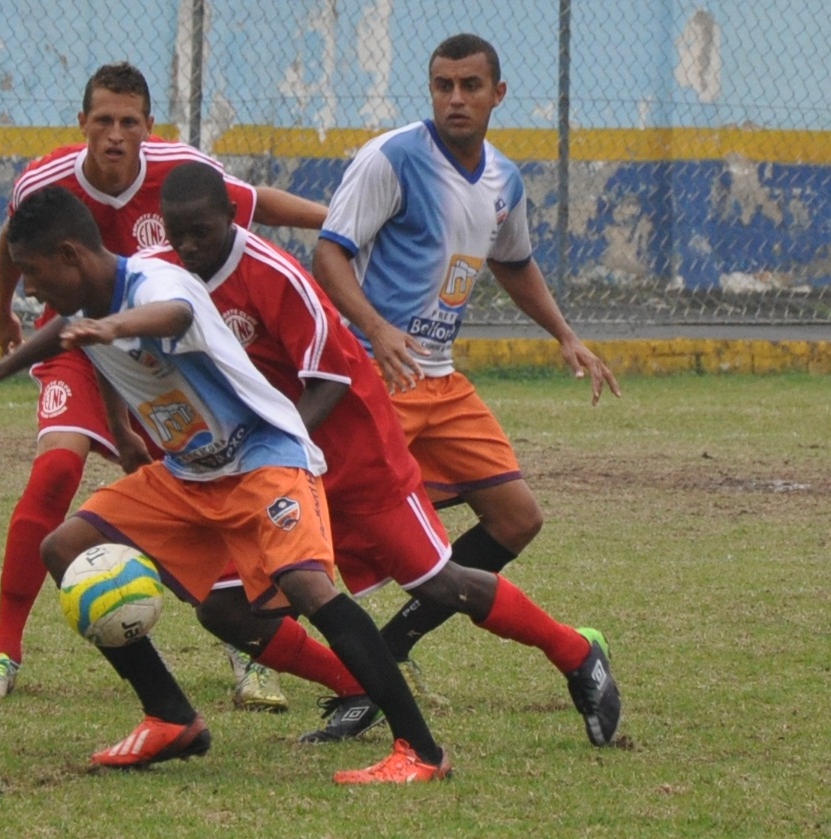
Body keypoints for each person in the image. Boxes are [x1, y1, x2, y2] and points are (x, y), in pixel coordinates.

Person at [0, 186, 452, 784]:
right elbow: (65, 333)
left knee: (309, 587)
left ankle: (421, 751)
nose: (28, 289)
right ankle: (170, 716)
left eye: (32, 271)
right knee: (62, 547)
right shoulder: (86, 310)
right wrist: (0, 375)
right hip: (190, 475)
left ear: (72, 254)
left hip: (265, 458)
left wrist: (112, 327)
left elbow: (173, 317)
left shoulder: (159, 284)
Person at [148, 161, 622, 748]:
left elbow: (333, 378)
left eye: (201, 231)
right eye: (177, 234)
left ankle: (578, 654)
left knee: (438, 583)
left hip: (353, 454)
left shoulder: (274, 275)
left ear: (232, 215)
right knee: (225, 608)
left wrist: (277, 452)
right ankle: (361, 686)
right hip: (271, 464)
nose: (189, 246)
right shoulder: (166, 280)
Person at [0, 61, 326, 709]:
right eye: (102, 120)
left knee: (211, 488)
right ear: (83, 123)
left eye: (128, 121)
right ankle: (3, 649)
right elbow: (11, 237)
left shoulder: (179, 168)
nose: (114, 133)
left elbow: (254, 201)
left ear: (147, 127)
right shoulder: (48, 177)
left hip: (163, 356)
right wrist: (1, 311)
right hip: (77, 342)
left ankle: (252, 646)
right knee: (53, 473)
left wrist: (336, 222)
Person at [311, 33, 623, 710]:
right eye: (443, 85)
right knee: (323, 532)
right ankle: (312, 660)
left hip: (442, 381)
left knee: (516, 517)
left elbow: (513, 262)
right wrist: (377, 326)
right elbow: (330, 254)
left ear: (497, 94)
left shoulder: (504, 180)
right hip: (376, 377)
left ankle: (388, 652)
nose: (456, 98)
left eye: (471, 86)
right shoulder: (391, 159)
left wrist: (566, 335)